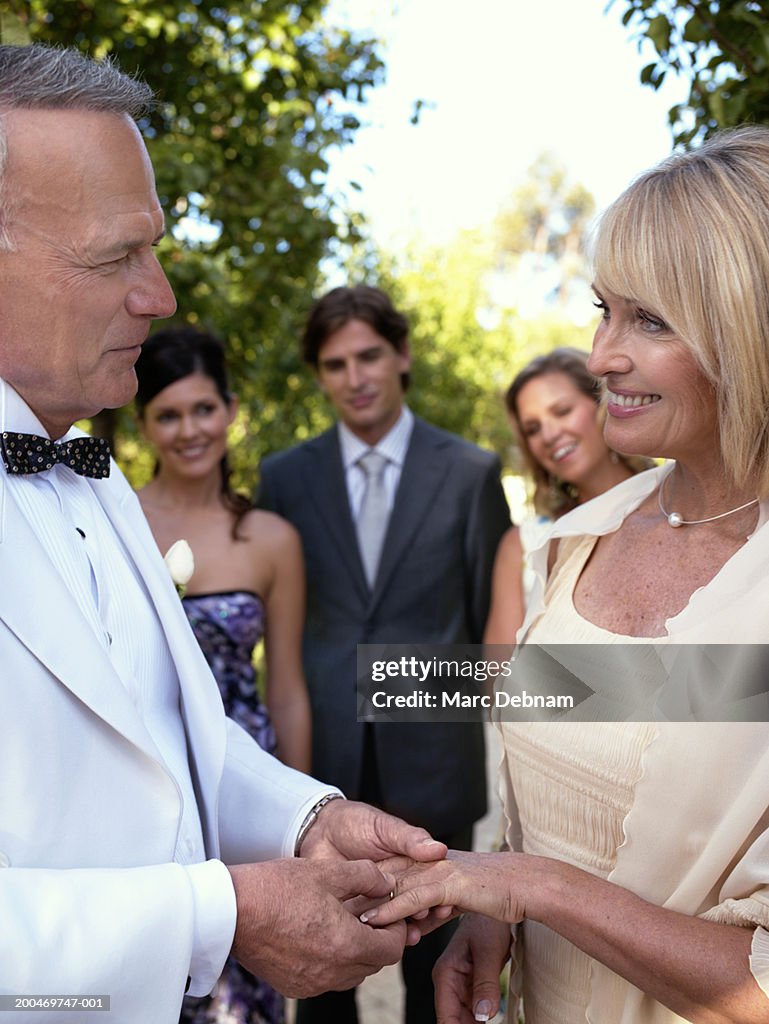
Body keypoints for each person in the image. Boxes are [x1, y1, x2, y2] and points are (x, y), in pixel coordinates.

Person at [0, 43, 449, 1024]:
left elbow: (179, 731)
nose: (159, 295)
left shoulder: (96, 470)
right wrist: (222, 912)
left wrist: (309, 819)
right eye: (116, 255)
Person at [364, 126, 769, 1023]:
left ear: (748, 331)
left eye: (650, 320)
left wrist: (528, 888)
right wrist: (494, 915)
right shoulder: (574, 542)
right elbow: (552, 767)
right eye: (604, 310)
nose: (601, 357)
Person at [258, 284, 511, 1024]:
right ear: (320, 376)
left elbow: (484, 627)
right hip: (322, 771)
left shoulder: (469, 473)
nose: (355, 376)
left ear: (400, 355)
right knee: (322, 973)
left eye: (369, 355)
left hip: (434, 765)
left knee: (436, 978)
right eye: (335, 364)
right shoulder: (283, 477)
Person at [134, 326, 312, 1024]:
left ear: (231, 410)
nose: (189, 430)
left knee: (246, 987)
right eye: (168, 414)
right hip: (150, 781)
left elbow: (288, 687)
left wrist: (301, 828)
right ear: (144, 424)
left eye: (203, 409)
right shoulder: (113, 520)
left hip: (244, 787)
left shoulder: (270, 538)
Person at [484, 347, 650, 646]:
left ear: (603, 402)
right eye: (532, 429)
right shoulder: (523, 545)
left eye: (562, 411)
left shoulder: (679, 506)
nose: (548, 435)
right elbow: (497, 680)